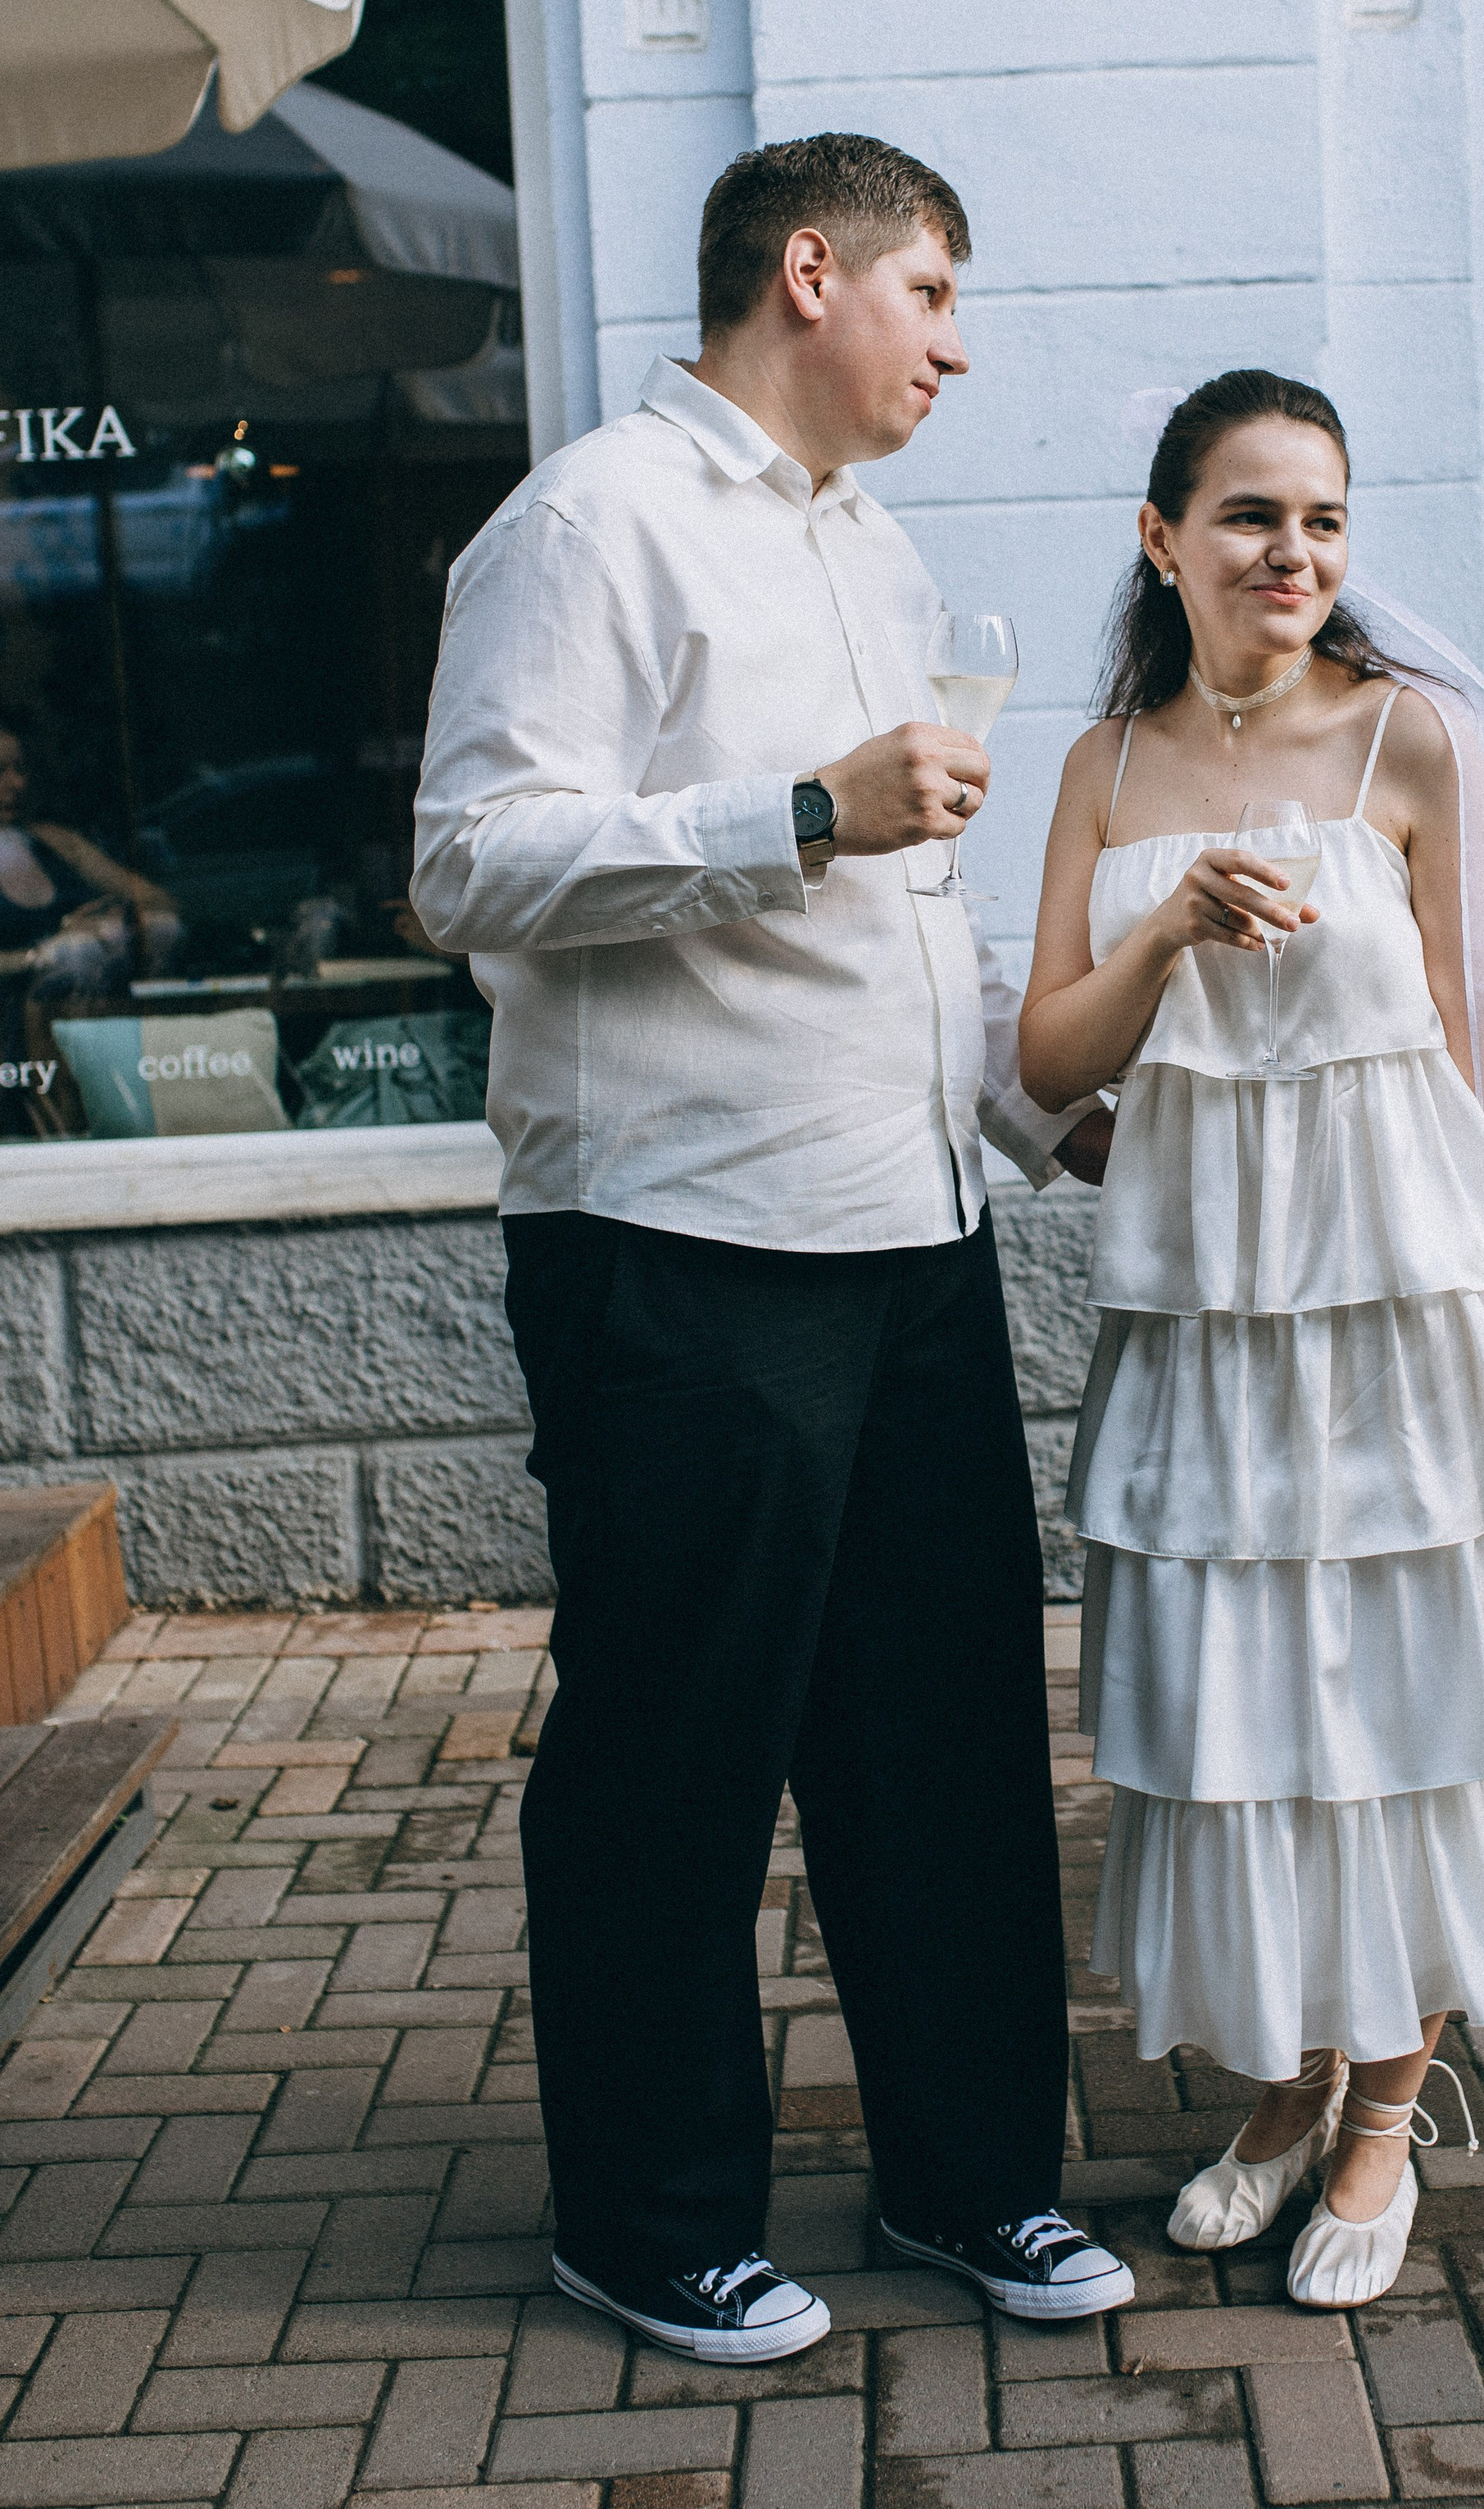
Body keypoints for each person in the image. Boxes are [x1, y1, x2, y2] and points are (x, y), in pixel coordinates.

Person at [411, 134, 1132, 2366]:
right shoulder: (587, 522)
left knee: (944, 1737)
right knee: (676, 1746)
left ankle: (971, 2177)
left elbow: (913, 918)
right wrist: (799, 808)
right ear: (808, 272)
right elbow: (467, 861)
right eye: (933, 291)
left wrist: (1044, 1116)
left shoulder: (876, 550)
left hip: (910, 1224)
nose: (956, 344)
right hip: (678, 1236)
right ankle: (646, 2222)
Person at [1019, 372, 1484, 2309]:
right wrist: (1162, 939)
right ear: (1160, 538)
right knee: (1249, 1728)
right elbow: (1044, 1061)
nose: (1288, 551)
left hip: (1409, 1305)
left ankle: (1382, 2111)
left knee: (1403, 1712)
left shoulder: (1410, 738)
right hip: (1210, 1324)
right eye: (1246, 514)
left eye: (1319, 518)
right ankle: (1286, 2086)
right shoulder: (1101, 768)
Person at [0, 726, 179, 1124]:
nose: (16, 784)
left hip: (98, 1023)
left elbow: (159, 903)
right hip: (18, 1048)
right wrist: (46, 951)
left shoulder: (54, 842)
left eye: (20, 769)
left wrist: (114, 916)